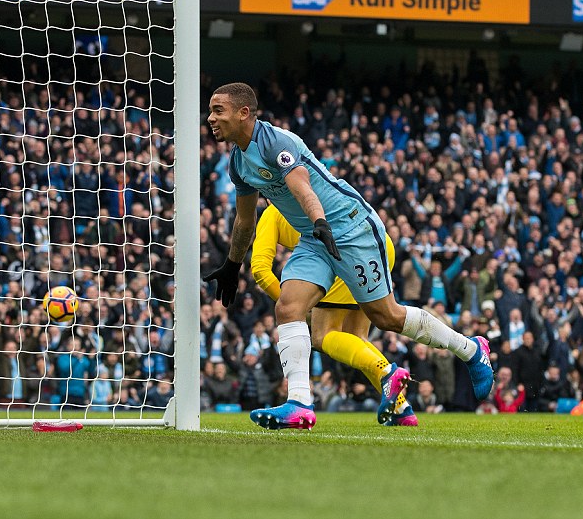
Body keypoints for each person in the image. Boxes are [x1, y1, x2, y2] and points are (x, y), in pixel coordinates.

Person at [203, 83, 493, 430]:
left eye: (218, 110)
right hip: (315, 236)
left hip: (349, 228)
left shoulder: (276, 143)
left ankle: (471, 350)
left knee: (385, 316)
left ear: (243, 113)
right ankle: (299, 405)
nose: (211, 118)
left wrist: (320, 222)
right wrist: (232, 265)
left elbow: (303, 187)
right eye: (211, 111)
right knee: (289, 308)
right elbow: (245, 219)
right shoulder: (238, 162)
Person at [250, 203, 417, 425]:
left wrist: (295, 306)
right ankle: (402, 409)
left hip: (341, 251)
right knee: (356, 338)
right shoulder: (316, 193)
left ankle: (387, 373)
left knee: (321, 336)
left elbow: (260, 269)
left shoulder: (274, 211)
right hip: (378, 242)